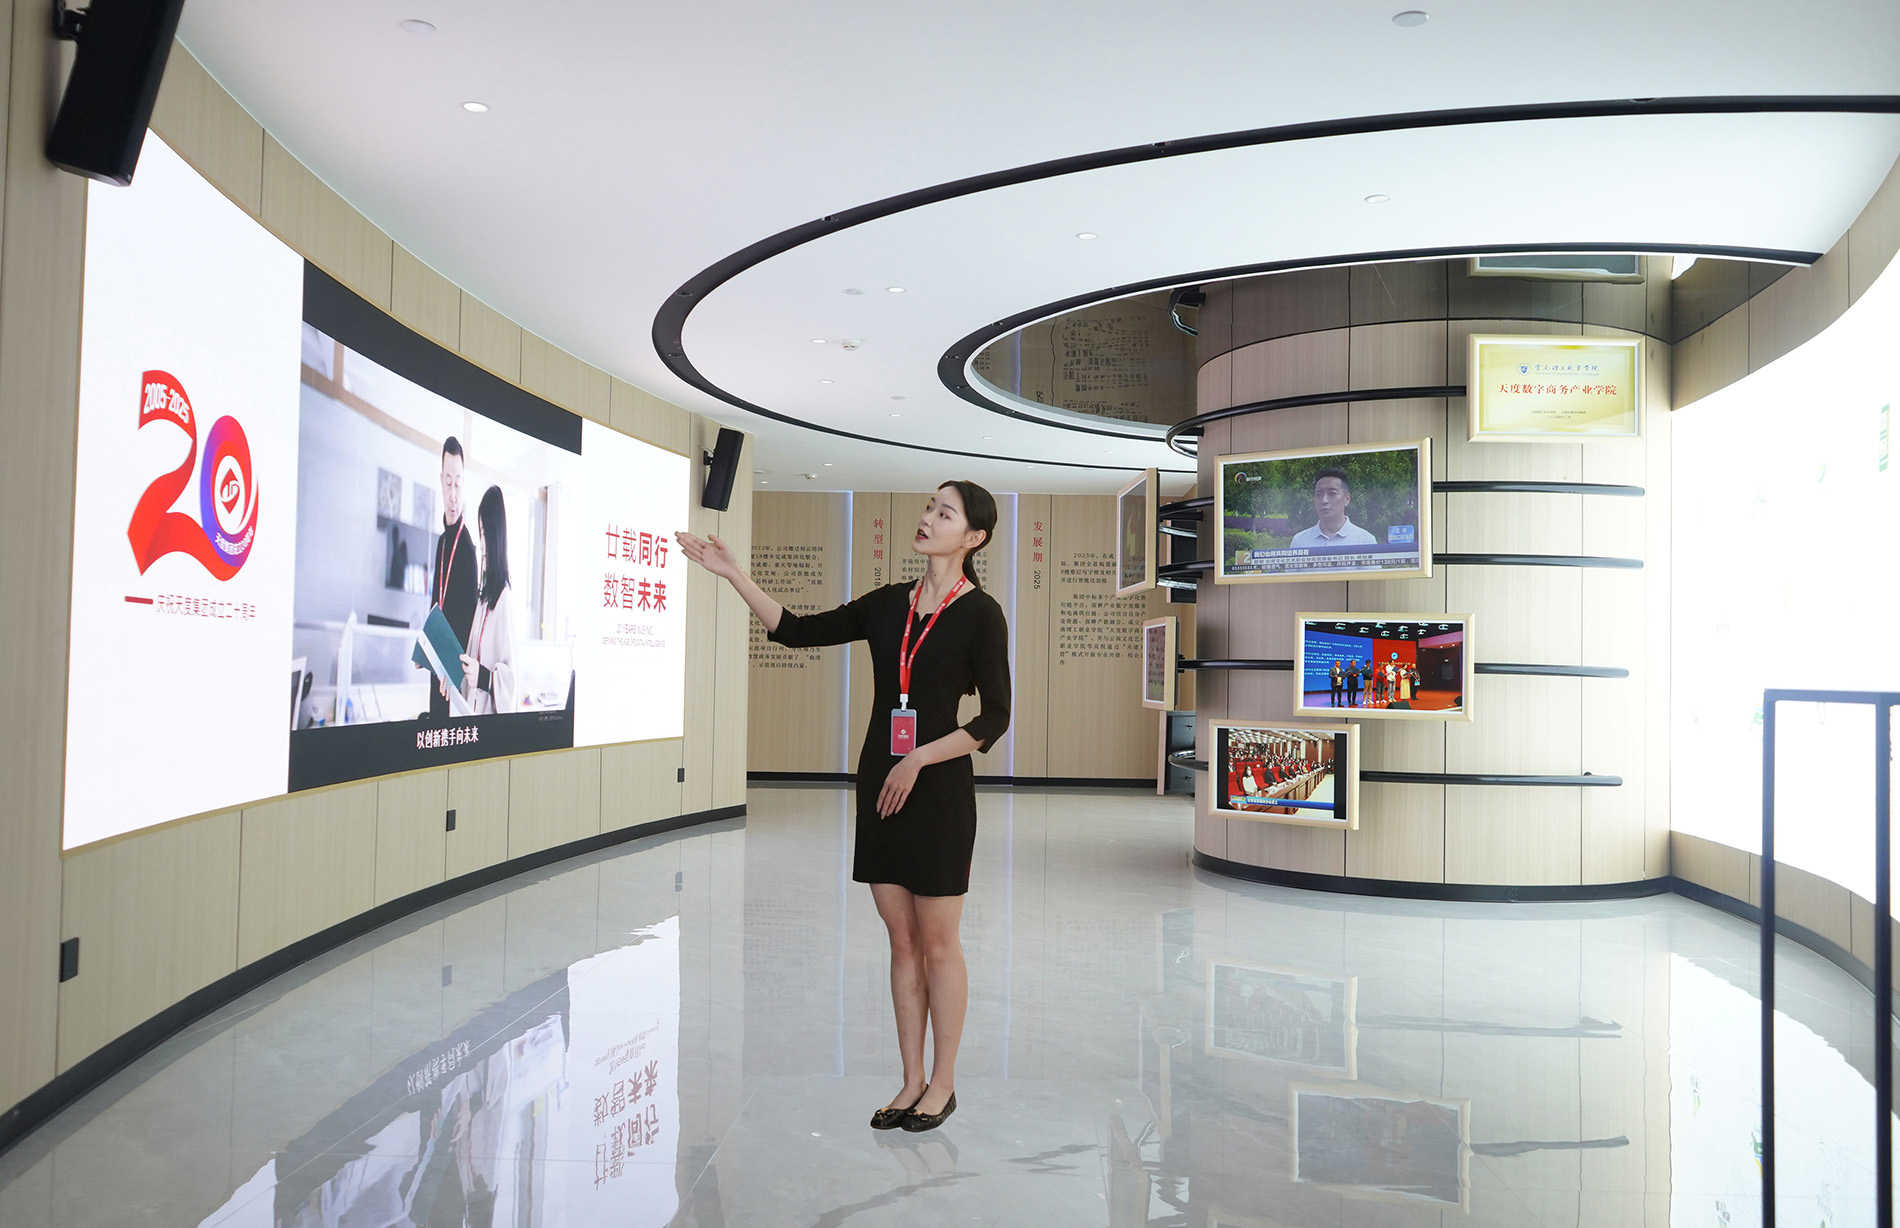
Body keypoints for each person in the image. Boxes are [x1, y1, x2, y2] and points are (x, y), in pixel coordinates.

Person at [676, 481, 1008, 1134]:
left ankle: (943, 1084)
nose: (927, 517)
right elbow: (797, 631)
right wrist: (733, 573)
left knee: (939, 944)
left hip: (937, 789)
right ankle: (910, 1080)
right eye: (929, 506)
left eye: (944, 513)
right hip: (881, 785)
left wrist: (918, 758)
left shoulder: (981, 614)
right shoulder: (887, 605)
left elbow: (994, 717)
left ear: (974, 537)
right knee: (901, 941)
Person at [428, 437, 479, 722]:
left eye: (458, 484)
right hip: (436, 667)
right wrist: (424, 647)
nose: (453, 494)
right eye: (448, 483)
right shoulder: (441, 542)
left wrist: (450, 665)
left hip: (452, 676)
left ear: (464, 484)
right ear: (441, 481)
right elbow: (435, 605)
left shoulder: (468, 548)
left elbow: (468, 623)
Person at [459, 486, 516, 715]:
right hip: (471, 715)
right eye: (479, 532)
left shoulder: (503, 598)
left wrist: (483, 677)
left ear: (495, 536)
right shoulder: (483, 599)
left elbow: (511, 682)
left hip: (489, 723)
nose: (481, 543)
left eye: (484, 533)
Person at [1288, 468, 1377, 549]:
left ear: (1347, 499)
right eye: (1319, 494)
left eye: (1332, 493)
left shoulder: (1365, 541)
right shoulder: (1299, 541)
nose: (1324, 500)